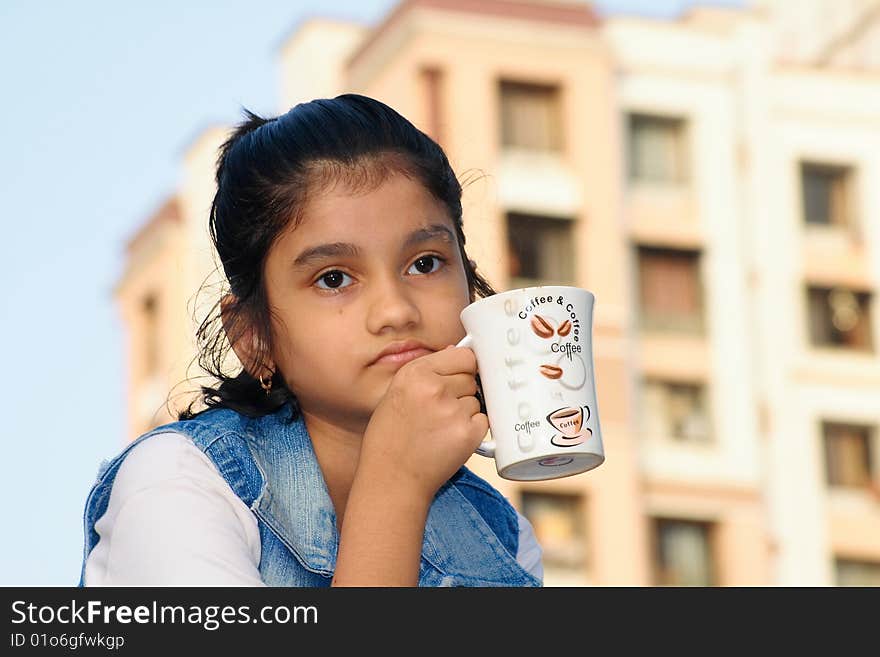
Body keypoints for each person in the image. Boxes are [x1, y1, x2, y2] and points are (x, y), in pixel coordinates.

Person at [78, 94, 543, 587]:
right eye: (334, 279)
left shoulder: (502, 537)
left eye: (424, 263)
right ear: (254, 337)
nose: (396, 311)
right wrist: (394, 487)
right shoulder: (178, 483)